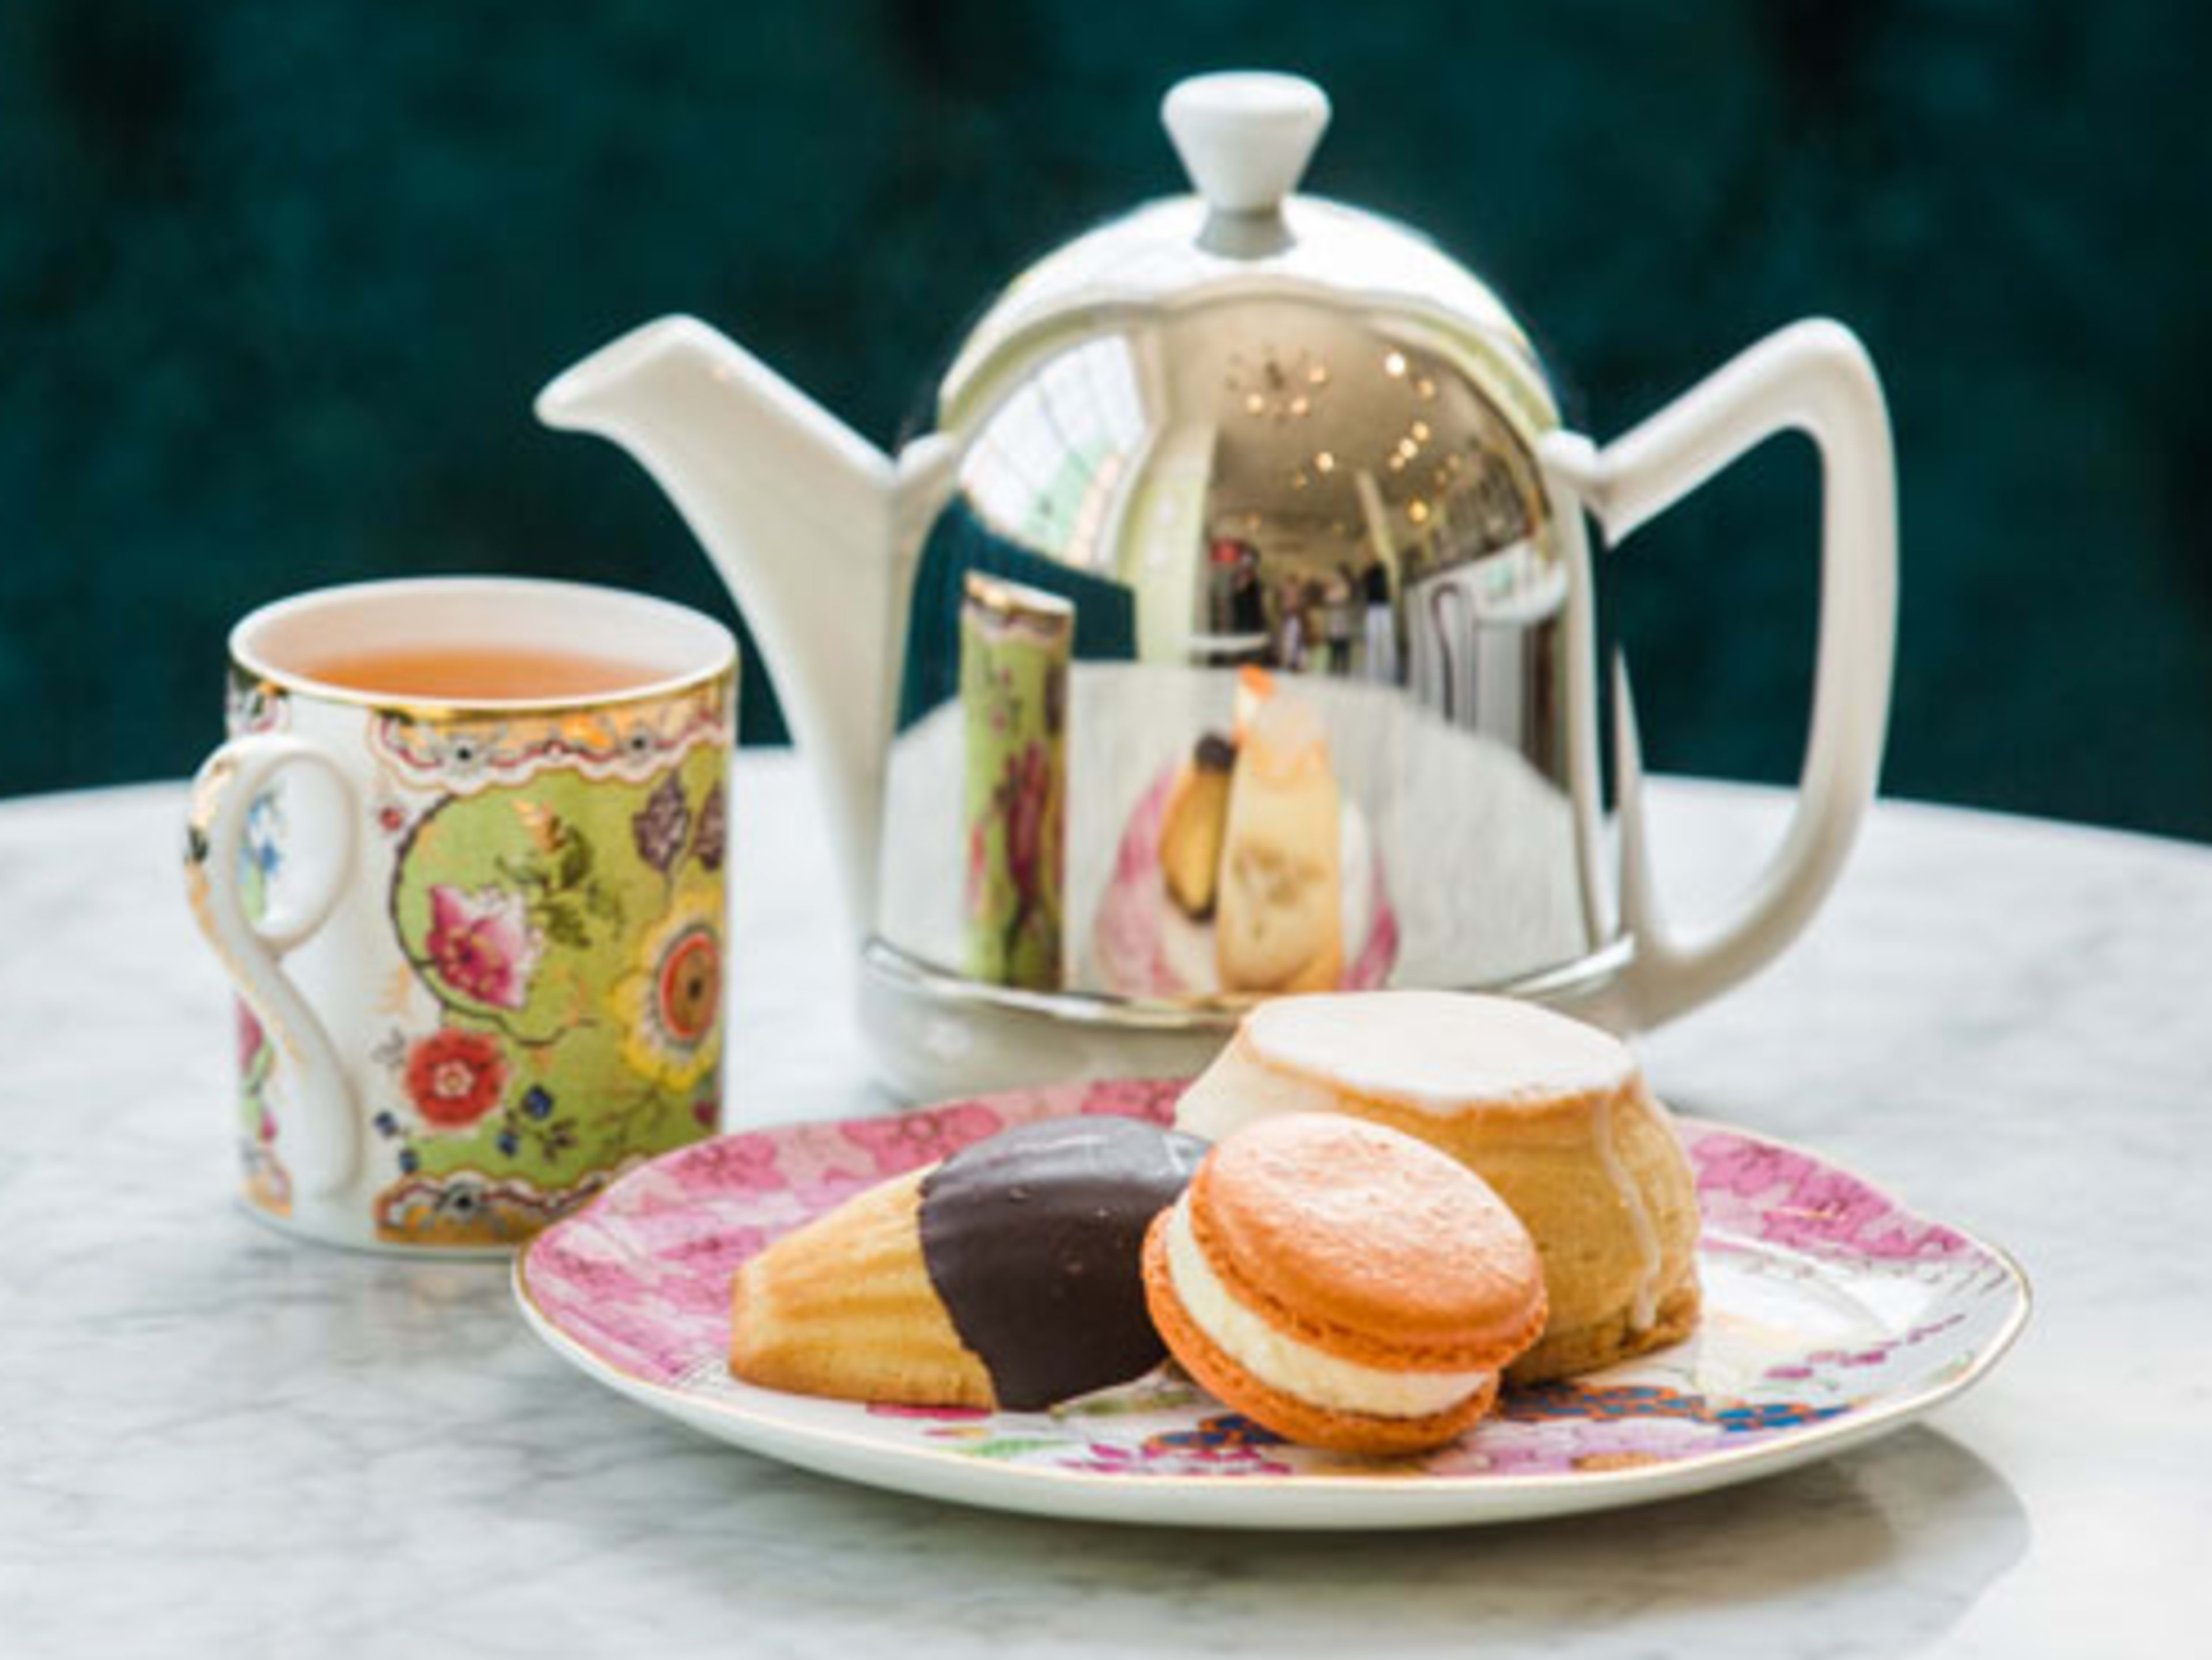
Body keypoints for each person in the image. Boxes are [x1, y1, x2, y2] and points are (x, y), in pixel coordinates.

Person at [1361, 557, 1397, 683]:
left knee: (1375, 641)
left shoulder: (1370, 574)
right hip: (1381, 607)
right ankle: (1385, 674)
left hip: (1377, 608)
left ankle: (1377, 674)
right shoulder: (1378, 574)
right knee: (1384, 641)